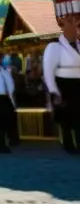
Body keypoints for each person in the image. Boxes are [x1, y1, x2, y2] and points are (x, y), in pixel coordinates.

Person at [44, 15, 80, 154]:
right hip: (64, 85)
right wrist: (53, 90)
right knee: (67, 118)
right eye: (70, 23)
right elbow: (48, 70)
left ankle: (78, 141)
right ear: (63, 27)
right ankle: (69, 144)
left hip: (78, 84)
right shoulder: (55, 47)